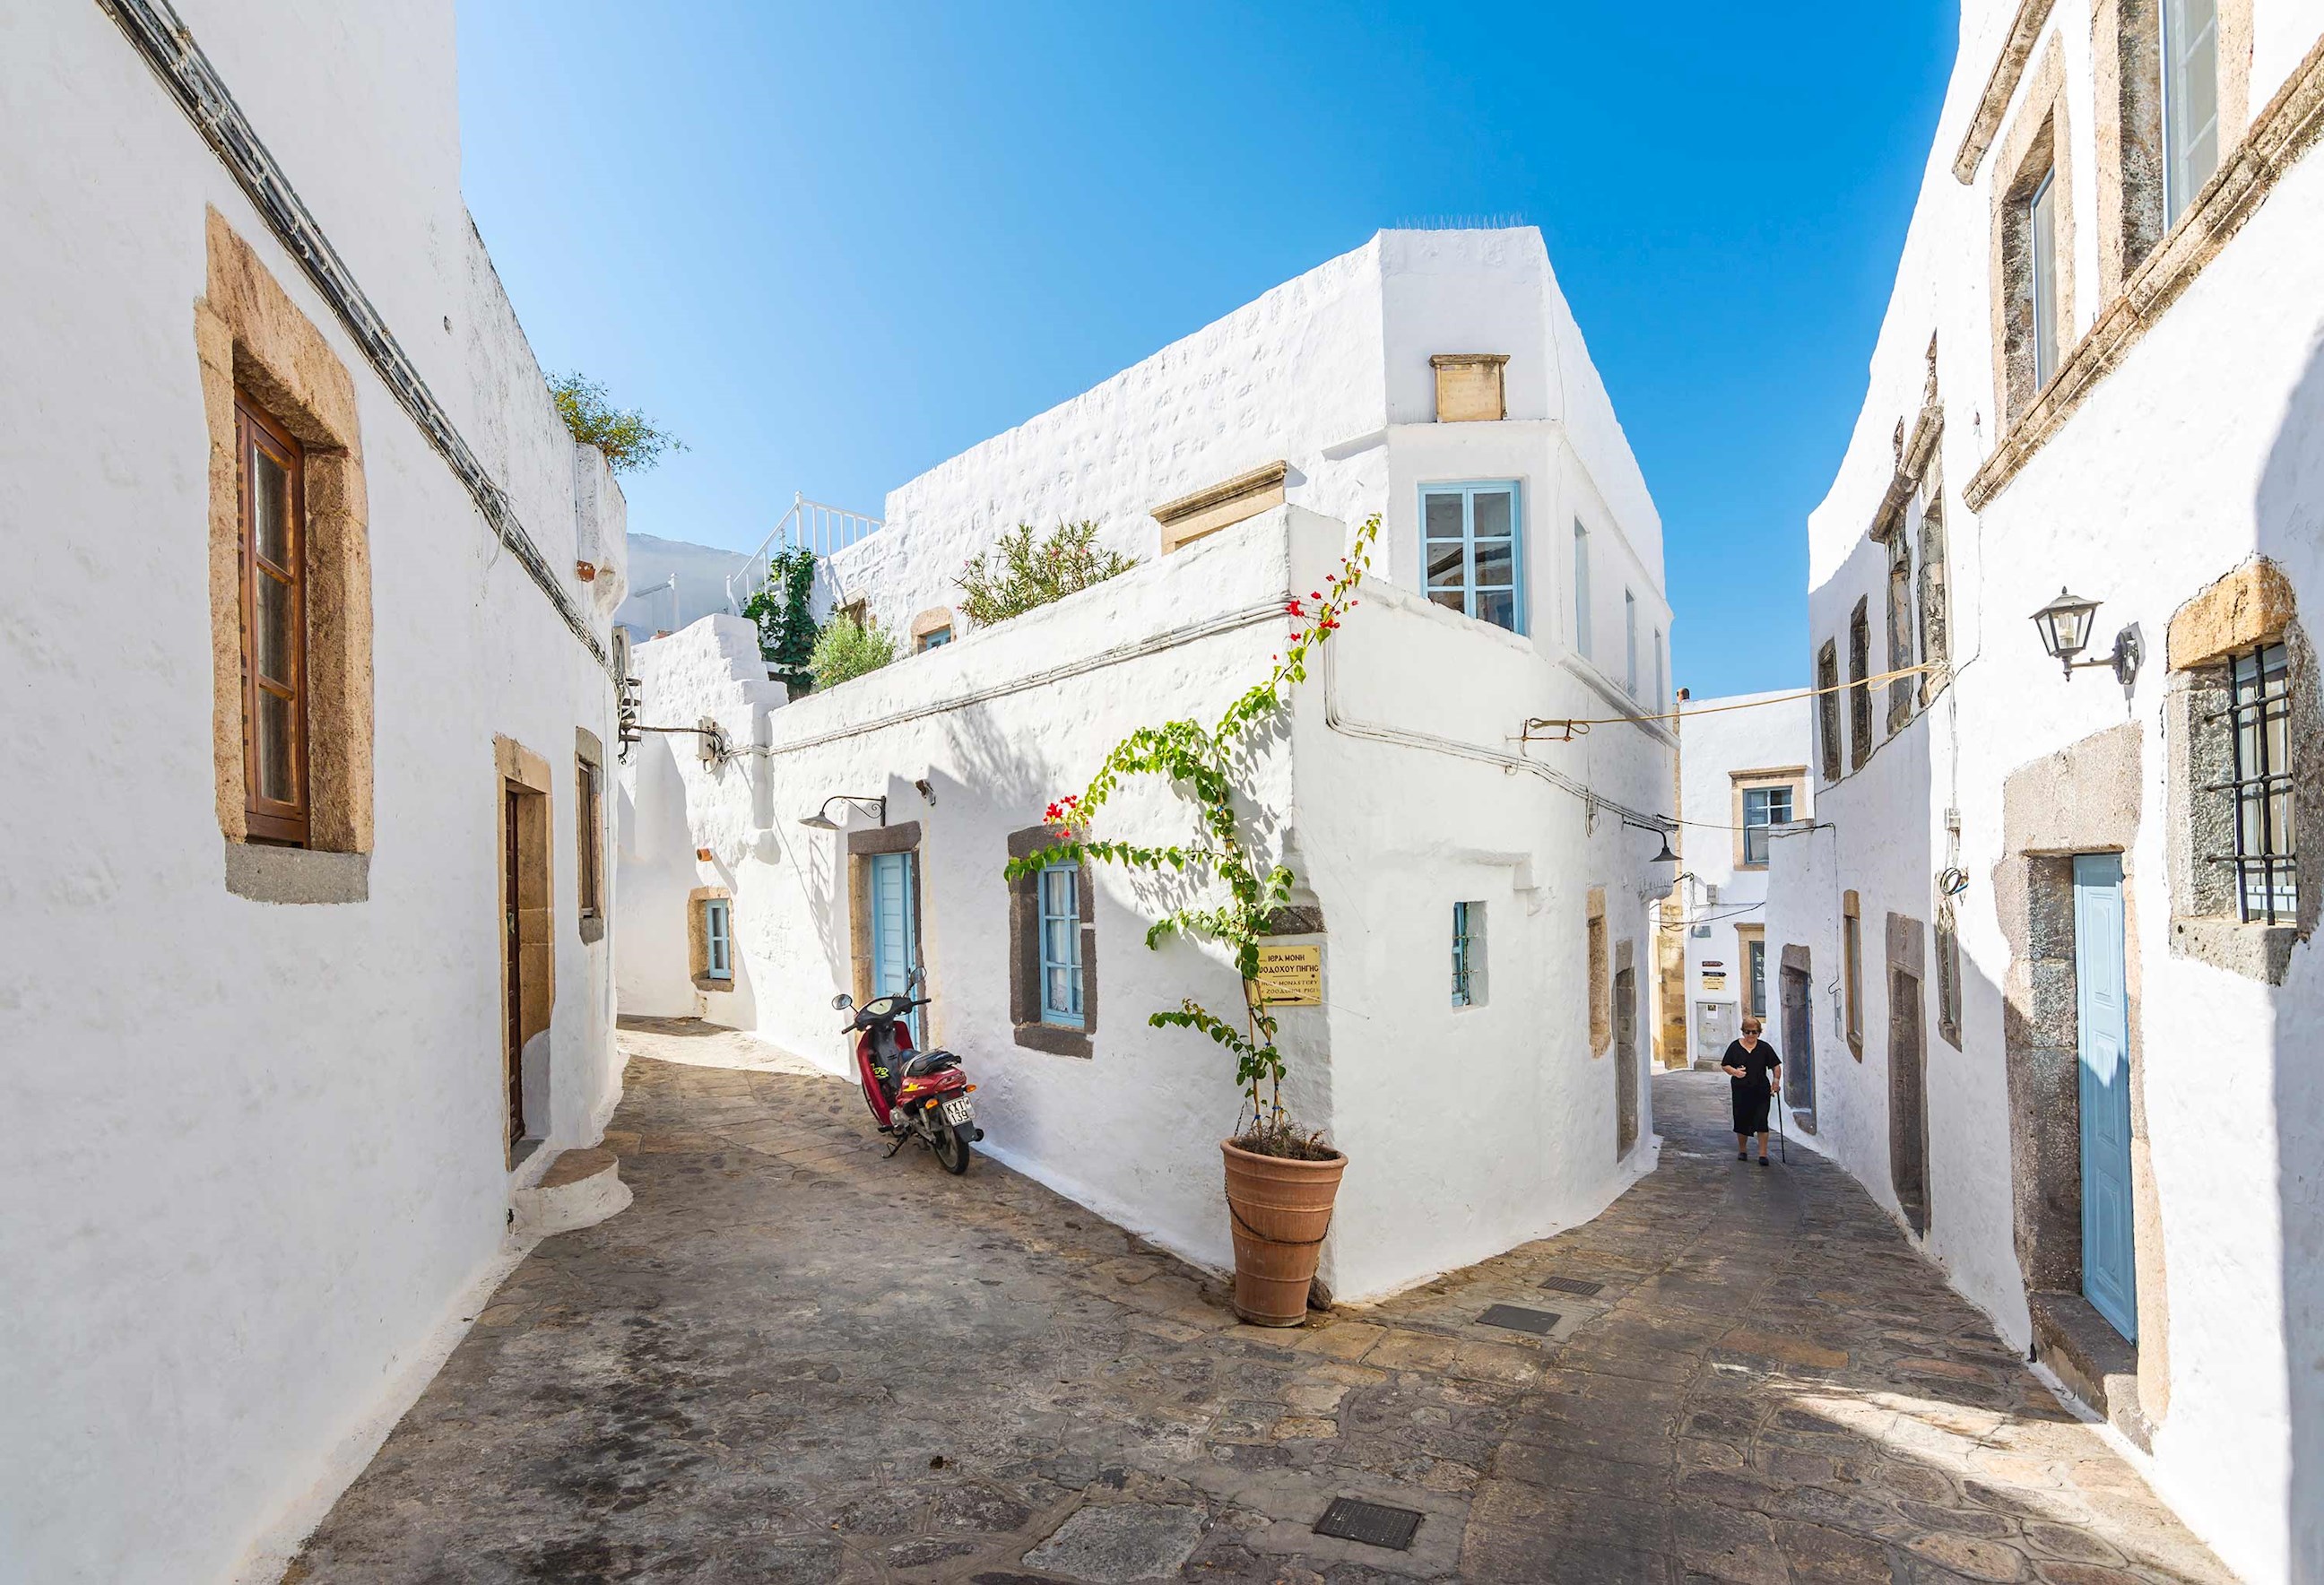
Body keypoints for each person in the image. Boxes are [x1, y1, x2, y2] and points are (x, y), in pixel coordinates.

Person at [1721, 1016, 1782, 1165]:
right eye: (1747, 1032)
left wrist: (1775, 1082)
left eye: (1754, 1032)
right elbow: (1725, 1065)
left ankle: (1763, 1154)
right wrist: (1735, 1072)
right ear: (1743, 1032)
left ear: (1759, 1033)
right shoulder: (1735, 1047)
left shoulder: (1764, 1048)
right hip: (1741, 1090)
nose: (1750, 1035)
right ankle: (1742, 1150)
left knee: (1762, 1120)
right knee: (1741, 1120)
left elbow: (1776, 1066)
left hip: (1761, 1090)